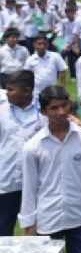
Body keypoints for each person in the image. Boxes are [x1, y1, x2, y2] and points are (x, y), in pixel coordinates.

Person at [19, 85, 81, 253]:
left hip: (80, 216)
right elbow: (29, 189)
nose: (61, 111)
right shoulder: (33, 146)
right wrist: (29, 228)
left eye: (64, 105)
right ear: (43, 111)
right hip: (48, 219)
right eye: (54, 108)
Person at [0, 70, 45, 236]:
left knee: (40, 228)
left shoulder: (44, 111)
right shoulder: (2, 110)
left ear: (27, 91)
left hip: (38, 181)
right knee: (3, 227)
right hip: (8, 179)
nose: (7, 93)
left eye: (11, 89)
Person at [23, 33, 67, 98]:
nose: (42, 46)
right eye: (39, 44)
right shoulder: (31, 60)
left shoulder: (55, 56)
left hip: (52, 91)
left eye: (44, 44)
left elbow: (63, 71)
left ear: (47, 45)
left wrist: (62, 87)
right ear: (34, 45)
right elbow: (26, 76)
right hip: (37, 92)